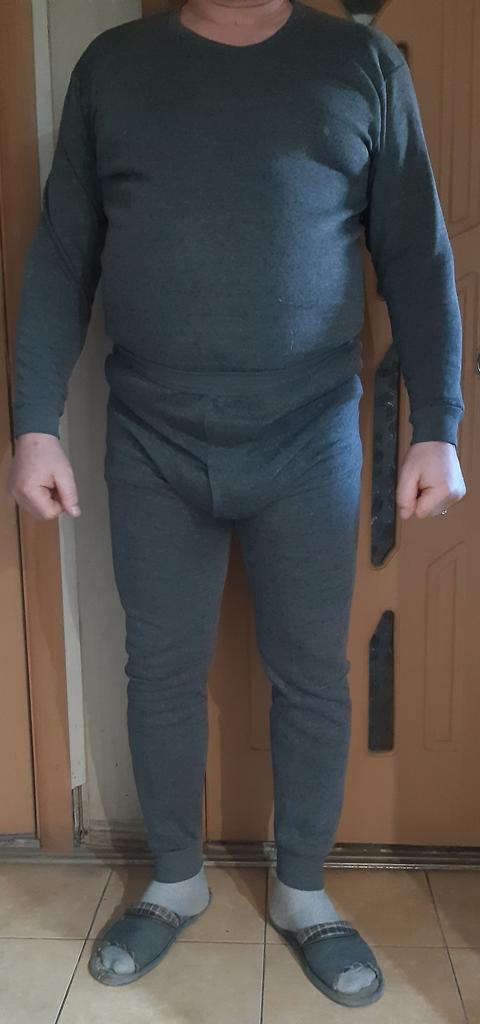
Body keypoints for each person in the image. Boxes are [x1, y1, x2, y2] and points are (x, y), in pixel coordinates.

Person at [8, 0, 466, 1007]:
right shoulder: (113, 68)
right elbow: (62, 253)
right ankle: (175, 880)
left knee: (312, 674)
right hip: (152, 436)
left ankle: (304, 891)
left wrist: (439, 423)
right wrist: (33, 423)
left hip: (310, 435)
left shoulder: (361, 65)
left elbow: (418, 253)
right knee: (161, 671)